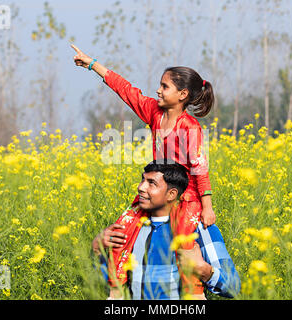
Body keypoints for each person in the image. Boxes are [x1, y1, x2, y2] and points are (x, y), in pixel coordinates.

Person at [72, 44, 217, 297]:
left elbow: (199, 169)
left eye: (164, 87)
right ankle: (115, 294)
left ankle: (195, 296)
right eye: (159, 85)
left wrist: (207, 207)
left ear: (182, 94)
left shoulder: (190, 127)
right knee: (120, 231)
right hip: (155, 189)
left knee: (183, 247)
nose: (158, 91)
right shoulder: (153, 112)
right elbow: (126, 90)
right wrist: (92, 64)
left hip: (186, 197)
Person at [91, 161, 240, 300]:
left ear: (171, 194)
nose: (141, 187)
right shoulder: (131, 228)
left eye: (152, 183)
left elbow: (233, 286)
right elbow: (109, 280)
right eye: (143, 180)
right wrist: (98, 250)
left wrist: (203, 269)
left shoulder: (199, 228)